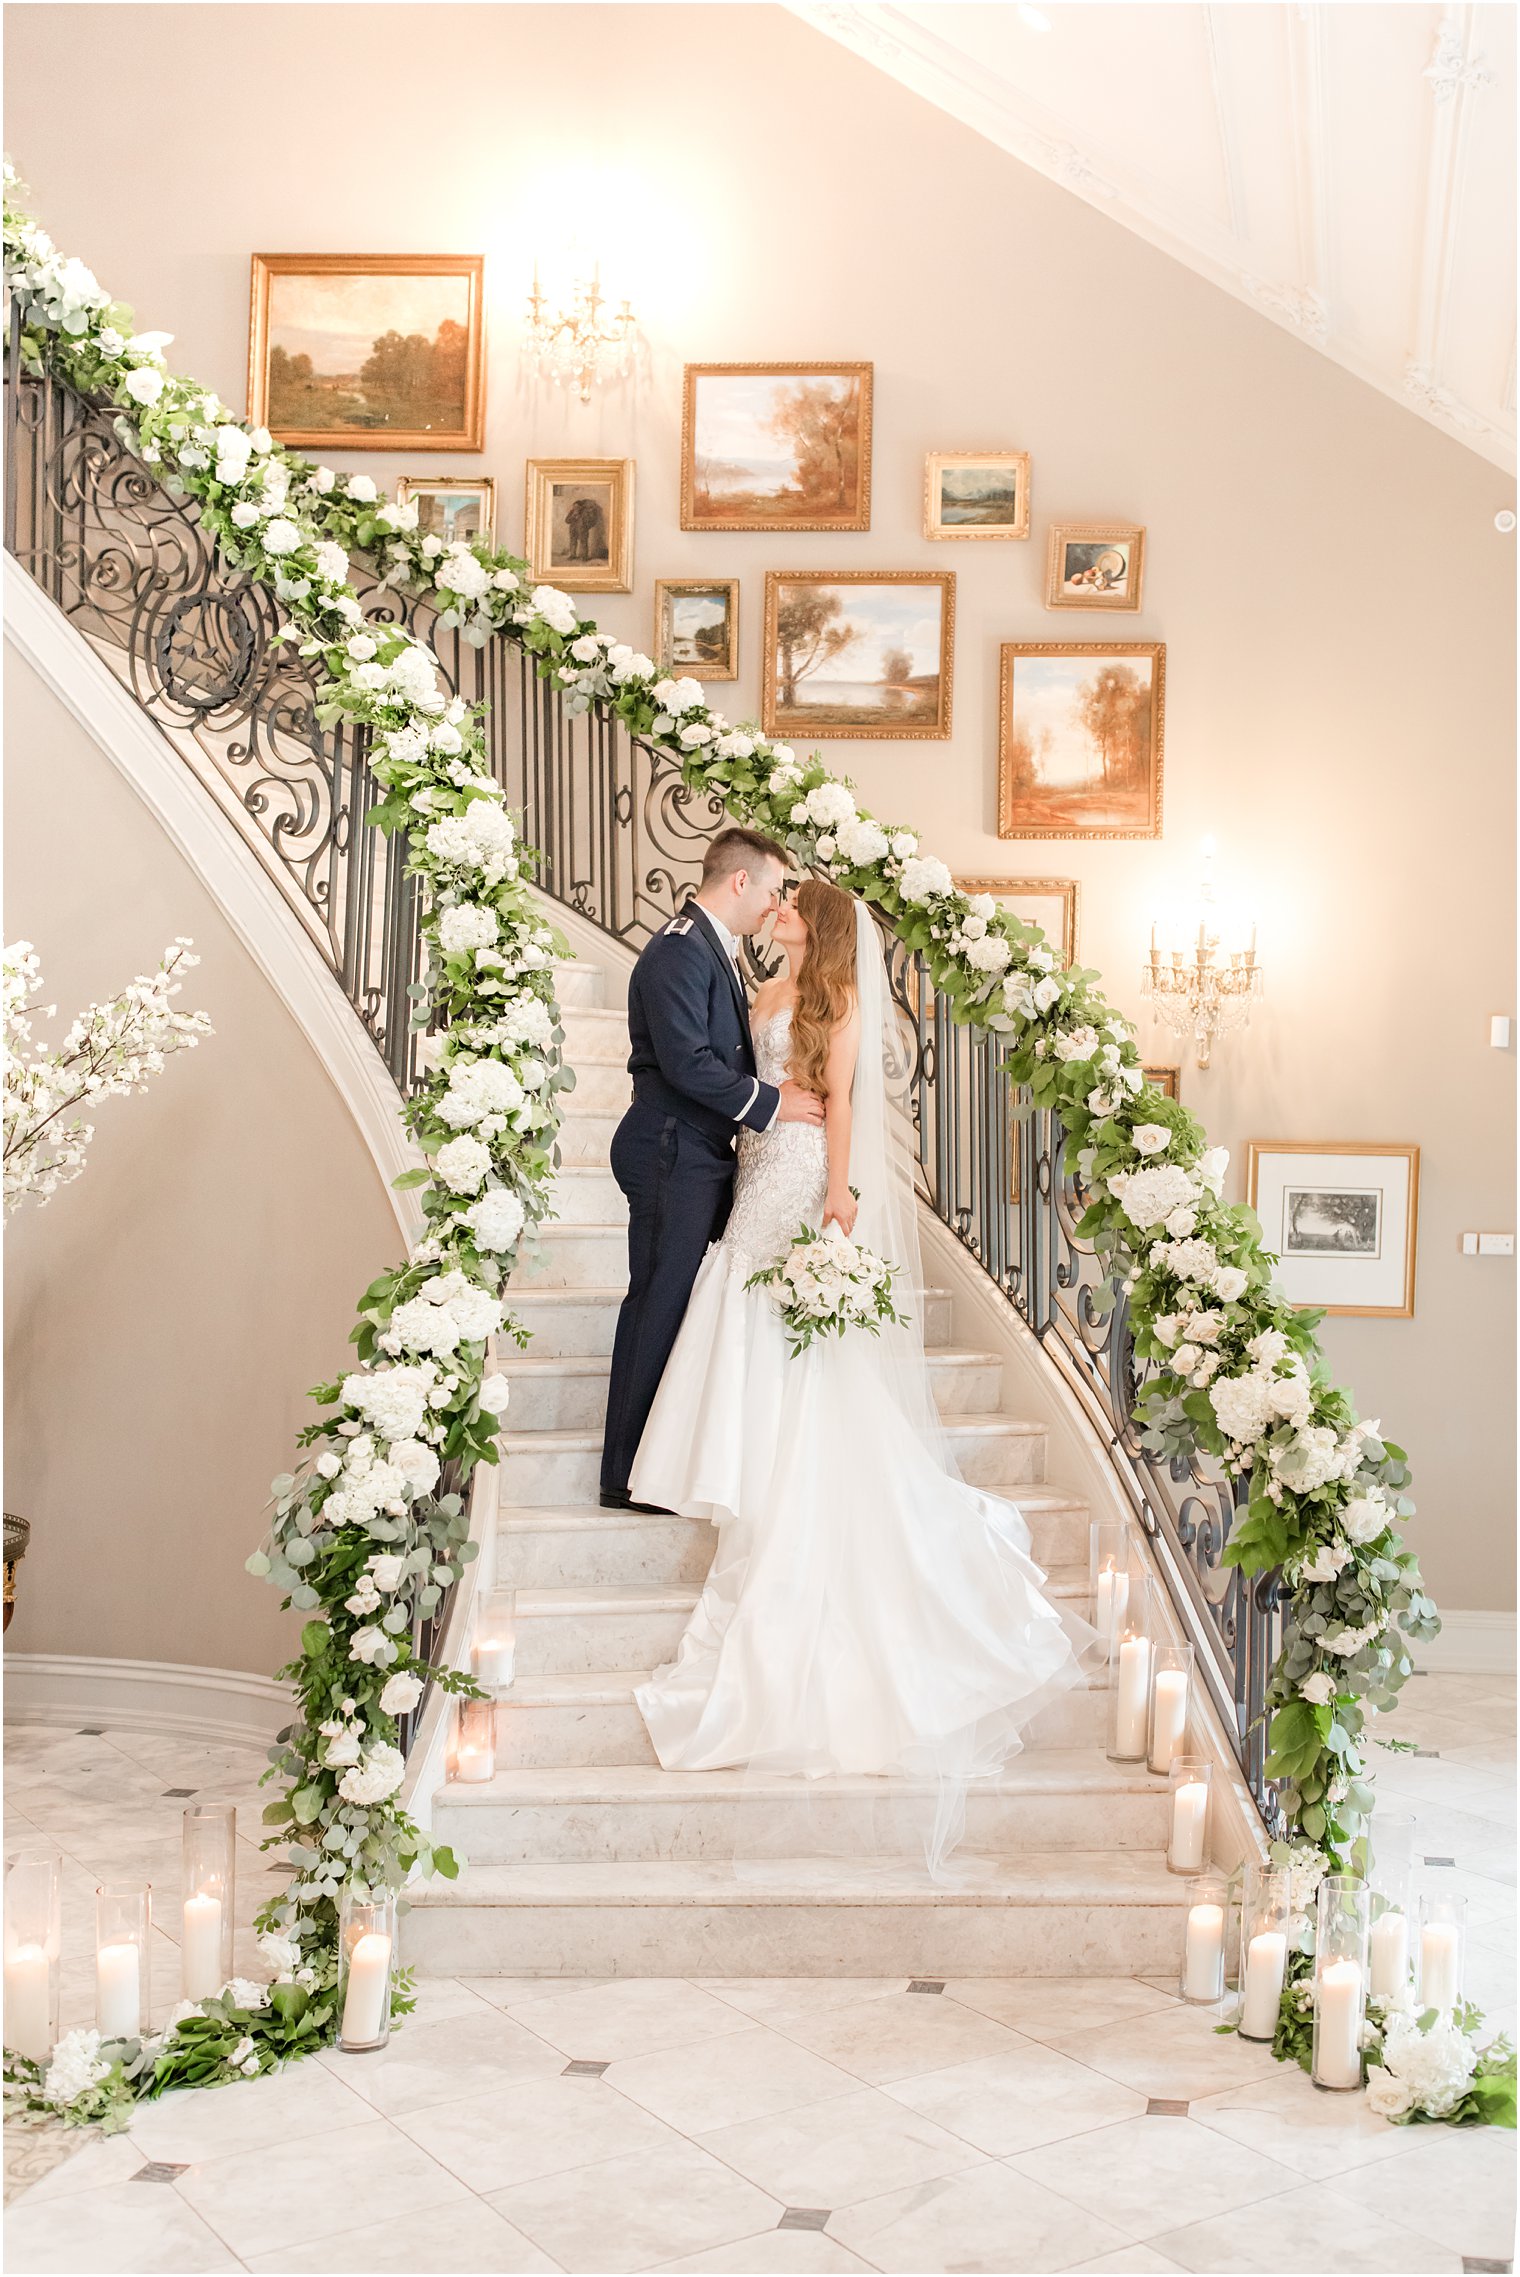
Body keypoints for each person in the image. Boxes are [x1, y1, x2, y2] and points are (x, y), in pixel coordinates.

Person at [630, 877, 1089, 1873]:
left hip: (795, 1176)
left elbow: (838, 1105)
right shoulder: (756, 988)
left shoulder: (829, 1005)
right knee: (742, 1308)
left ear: (819, 926)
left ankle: (778, 1462)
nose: (780, 908)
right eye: (778, 898)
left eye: (794, 903)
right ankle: (751, 1448)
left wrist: (836, 1193)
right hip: (755, 1164)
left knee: (760, 1306)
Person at [599, 828, 825, 1513]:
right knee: (658, 1301)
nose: (774, 903)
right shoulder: (678, 950)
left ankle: (654, 1462)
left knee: (674, 1301)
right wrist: (773, 1104)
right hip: (671, 1148)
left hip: (698, 1151)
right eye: (773, 888)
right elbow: (687, 1061)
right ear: (739, 882)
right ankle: (625, 1475)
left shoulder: (711, 950)